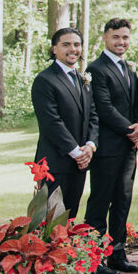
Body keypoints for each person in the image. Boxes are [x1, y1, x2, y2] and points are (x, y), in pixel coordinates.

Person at [84, 18, 138, 274]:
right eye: (116, 37)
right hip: (108, 147)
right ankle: (94, 260)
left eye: (125, 37)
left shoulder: (129, 69)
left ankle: (117, 253)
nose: (121, 42)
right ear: (105, 38)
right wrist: (131, 129)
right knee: (100, 201)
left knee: (122, 200)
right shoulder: (96, 69)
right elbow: (104, 107)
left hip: (129, 147)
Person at [32, 28, 99, 224]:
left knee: (69, 218)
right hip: (54, 163)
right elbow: (51, 122)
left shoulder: (82, 79)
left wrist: (90, 146)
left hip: (79, 163)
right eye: (66, 44)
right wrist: (76, 153)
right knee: (49, 221)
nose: (73, 49)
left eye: (77, 44)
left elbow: (93, 115)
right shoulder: (44, 80)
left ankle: (67, 255)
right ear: (54, 49)